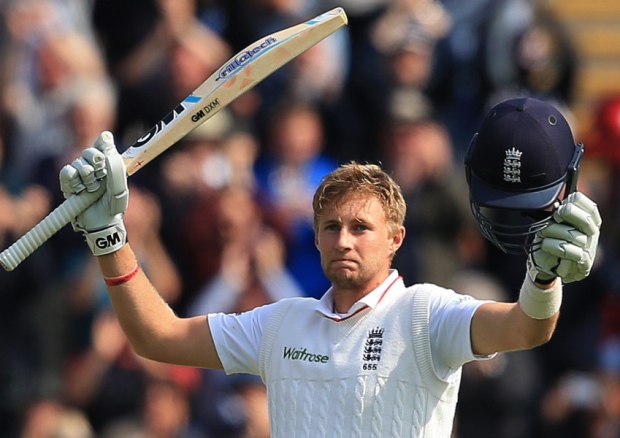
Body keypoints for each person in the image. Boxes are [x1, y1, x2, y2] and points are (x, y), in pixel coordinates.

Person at [57, 97, 601, 437]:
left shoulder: (427, 313)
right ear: (315, 239)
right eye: (331, 227)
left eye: (361, 228)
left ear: (395, 240)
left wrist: (543, 277)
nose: (344, 239)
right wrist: (111, 238)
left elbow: (526, 327)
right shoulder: (280, 323)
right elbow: (159, 337)